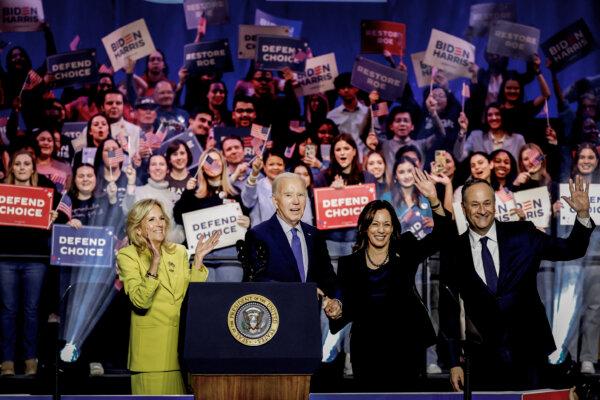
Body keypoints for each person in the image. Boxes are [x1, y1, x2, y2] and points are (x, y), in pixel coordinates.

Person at [441, 177, 595, 391]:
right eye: (475, 204)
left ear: (495, 205)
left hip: (530, 350)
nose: (482, 210)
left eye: (487, 203)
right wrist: (453, 363)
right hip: (485, 358)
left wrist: (583, 214)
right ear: (464, 208)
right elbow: (448, 310)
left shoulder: (523, 234)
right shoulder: (453, 251)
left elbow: (571, 249)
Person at [328, 169, 449, 391]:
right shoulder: (349, 264)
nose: (381, 230)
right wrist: (335, 308)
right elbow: (341, 303)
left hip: (407, 346)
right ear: (364, 228)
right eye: (374, 224)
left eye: (386, 224)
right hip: (366, 350)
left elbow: (442, 237)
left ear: (393, 227)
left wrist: (434, 200)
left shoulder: (407, 248)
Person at [116, 199, 219, 394]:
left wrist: (197, 261)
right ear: (138, 229)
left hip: (183, 351)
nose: (159, 223)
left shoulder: (178, 251)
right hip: (151, 354)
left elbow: (190, 297)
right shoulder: (128, 255)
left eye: (161, 218)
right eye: (152, 219)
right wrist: (154, 263)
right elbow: (140, 301)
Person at [0, 149, 66, 376]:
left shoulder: (45, 191)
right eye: (17, 164)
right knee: (8, 311)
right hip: (5, 259)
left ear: (32, 168)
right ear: (12, 168)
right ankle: (7, 361)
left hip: (35, 260)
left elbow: (64, 214)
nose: (21, 167)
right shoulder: (2, 190)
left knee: (31, 312)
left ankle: (31, 360)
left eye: (26, 163)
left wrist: (54, 217)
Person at [244, 173, 341, 311]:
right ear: (275, 201)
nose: (296, 201)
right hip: (276, 319)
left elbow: (328, 278)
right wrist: (301, 292)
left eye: (301, 195)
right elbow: (257, 281)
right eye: (288, 195)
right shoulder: (258, 235)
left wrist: (337, 302)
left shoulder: (314, 235)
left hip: (310, 321)